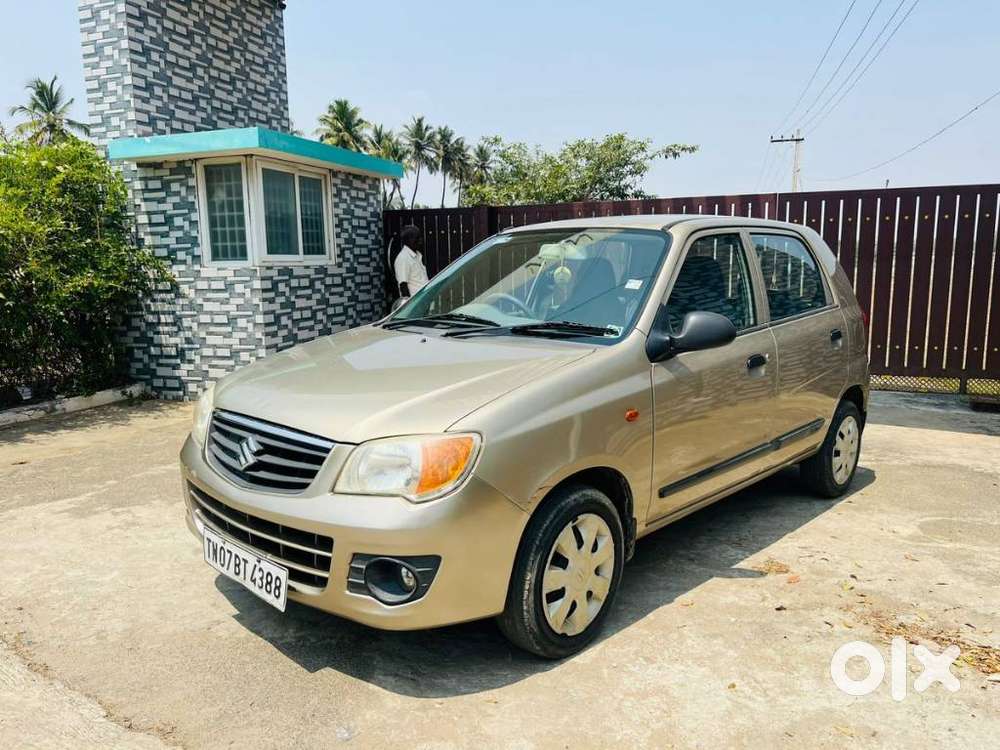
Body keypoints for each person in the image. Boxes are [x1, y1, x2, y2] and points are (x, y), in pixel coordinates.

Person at [393, 225, 429, 298]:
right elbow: (403, 285)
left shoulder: (417, 255)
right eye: (417, 238)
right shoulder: (403, 258)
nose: (420, 240)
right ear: (409, 239)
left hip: (424, 301)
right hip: (415, 304)